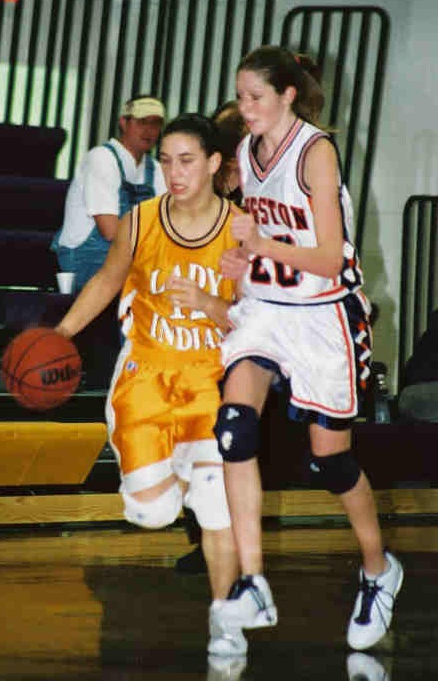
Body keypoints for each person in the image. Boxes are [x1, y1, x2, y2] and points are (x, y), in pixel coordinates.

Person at [211, 45, 403, 653]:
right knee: (234, 430)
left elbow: (324, 257)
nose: (245, 109)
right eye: (240, 97)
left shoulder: (316, 151)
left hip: (324, 317)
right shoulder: (246, 150)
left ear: (288, 94)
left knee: (331, 464)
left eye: (255, 97)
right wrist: (242, 258)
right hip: (268, 312)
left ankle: (378, 570)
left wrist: (261, 243)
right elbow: (263, 245)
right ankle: (252, 581)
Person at [55, 113, 247, 657]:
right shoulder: (140, 219)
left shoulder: (242, 228)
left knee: (217, 509)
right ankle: (184, 483)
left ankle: (225, 620)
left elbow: (258, 318)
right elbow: (108, 279)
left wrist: (212, 305)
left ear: (214, 164)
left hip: (211, 382)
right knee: (152, 514)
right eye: (165, 161)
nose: (174, 172)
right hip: (146, 379)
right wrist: (61, 334)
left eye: (187, 160)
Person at [175, 100, 247, 576]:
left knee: (222, 446)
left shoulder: (246, 214)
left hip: (233, 340)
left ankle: (221, 541)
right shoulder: (196, 205)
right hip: (189, 340)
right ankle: (204, 537)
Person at [51, 95, 167, 291]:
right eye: (141, 122)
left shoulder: (156, 169)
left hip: (130, 259)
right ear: (123, 122)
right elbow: (110, 230)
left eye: (155, 124)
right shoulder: (101, 158)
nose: (149, 130)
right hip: (85, 263)